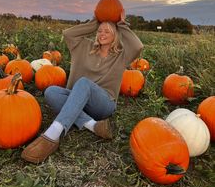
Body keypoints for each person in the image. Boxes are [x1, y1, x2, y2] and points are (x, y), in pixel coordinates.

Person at [21, 10, 143, 164]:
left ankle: (52, 135)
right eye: (100, 30)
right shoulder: (83, 46)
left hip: (103, 104)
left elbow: (138, 46)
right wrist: (95, 22)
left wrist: (121, 24)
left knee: (84, 82)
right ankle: (93, 126)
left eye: (107, 31)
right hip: (77, 101)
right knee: (51, 92)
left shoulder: (121, 55)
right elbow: (68, 34)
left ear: (116, 34)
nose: (102, 33)